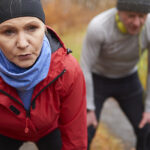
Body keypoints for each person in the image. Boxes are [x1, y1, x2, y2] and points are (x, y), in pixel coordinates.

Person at [0, 0, 87, 150]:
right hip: (5, 132)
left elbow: (75, 139)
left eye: (32, 28)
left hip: (49, 130)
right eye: (8, 31)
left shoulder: (67, 70)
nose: (22, 43)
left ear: (45, 29)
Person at [80, 0, 150, 150]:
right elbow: (85, 67)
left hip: (128, 80)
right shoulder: (99, 27)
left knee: (147, 127)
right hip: (98, 79)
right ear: (119, 12)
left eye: (142, 16)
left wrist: (149, 109)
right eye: (131, 16)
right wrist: (89, 109)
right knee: (86, 130)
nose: (137, 23)